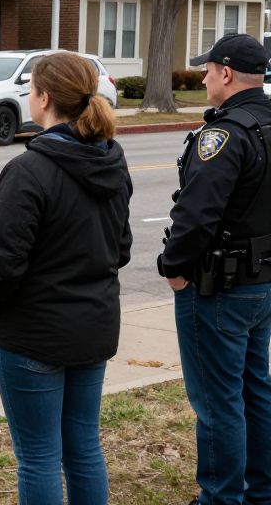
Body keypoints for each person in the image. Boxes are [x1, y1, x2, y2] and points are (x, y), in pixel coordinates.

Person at [0, 51, 132, 505]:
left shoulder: (28, 171)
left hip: (32, 337)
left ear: (43, 97)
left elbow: (2, 265)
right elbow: (121, 250)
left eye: (31, 88)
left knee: (38, 456)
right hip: (91, 328)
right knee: (83, 449)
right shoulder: (112, 162)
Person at [157, 33, 271, 505]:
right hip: (262, 282)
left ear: (226, 73)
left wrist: (173, 267)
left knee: (218, 400)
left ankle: (221, 497)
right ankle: (261, 492)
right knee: (255, 390)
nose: (203, 78)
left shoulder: (223, 135)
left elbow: (196, 214)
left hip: (218, 287)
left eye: (207, 71)